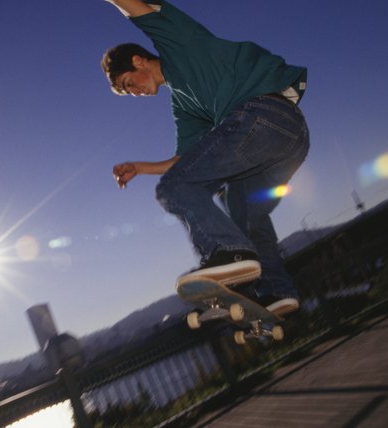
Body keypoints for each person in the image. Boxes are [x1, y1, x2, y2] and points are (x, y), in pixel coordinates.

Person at [103, 0, 309, 317]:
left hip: (262, 117)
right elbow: (187, 161)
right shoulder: (184, 107)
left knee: (172, 189)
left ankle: (227, 255)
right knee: (243, 209)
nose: (134, 93)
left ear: (139, 61)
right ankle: (276, 291)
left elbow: (133, 5)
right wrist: (141, 168)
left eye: (129, 84)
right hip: (287, 138)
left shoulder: (178, 43)